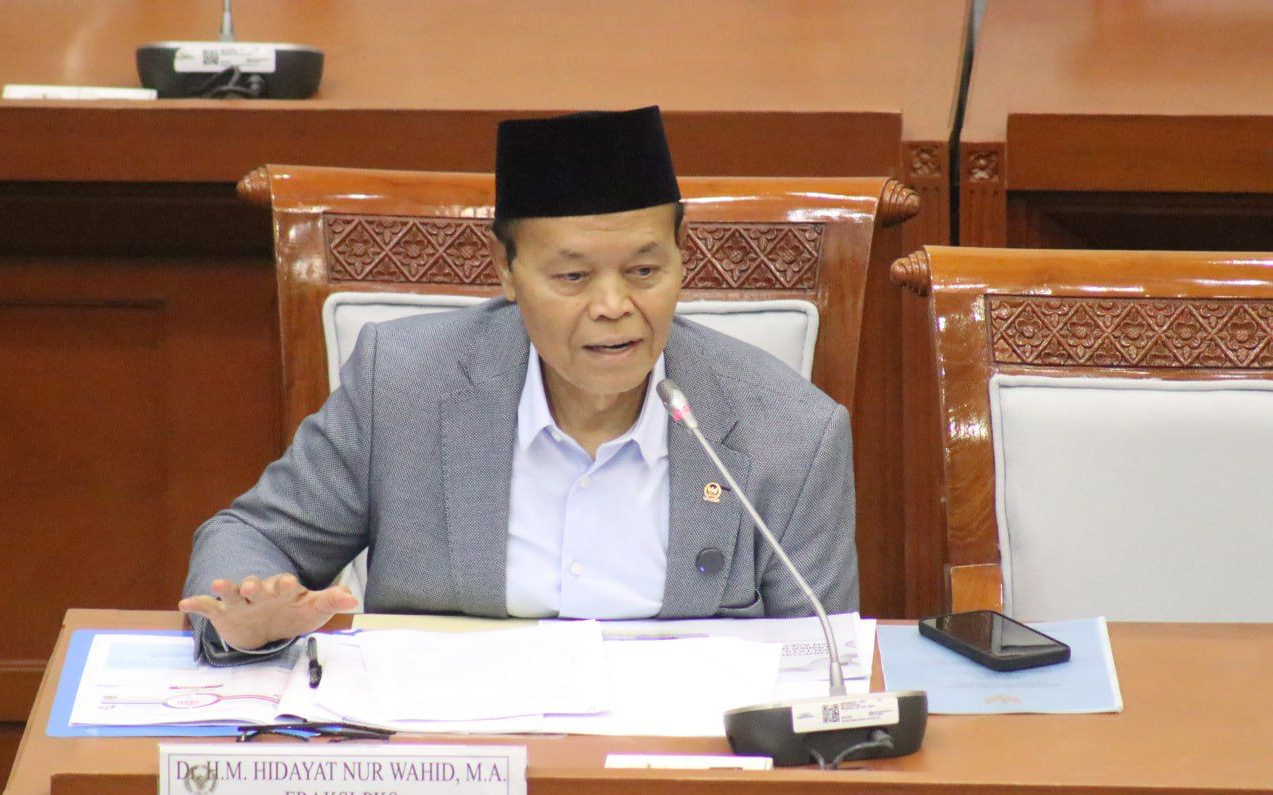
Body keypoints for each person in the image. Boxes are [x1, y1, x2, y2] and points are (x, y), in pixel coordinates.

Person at [179, 106, 857, 663]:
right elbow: (251, 536)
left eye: (645, 272)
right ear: (505, 270)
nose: (613, 306)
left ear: (683, 257)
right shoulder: (403, 386)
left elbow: (829, 667)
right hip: (449, 760)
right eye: (572, 277)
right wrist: (249, 614)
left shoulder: (790, 430)